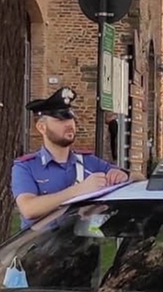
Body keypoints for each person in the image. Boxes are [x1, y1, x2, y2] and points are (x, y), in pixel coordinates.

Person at [10, 87, 129, 231]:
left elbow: (137, 177)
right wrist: (79, 190)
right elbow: (29, 209)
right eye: (60, 120)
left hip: (83, 250)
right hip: (42, 250)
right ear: (41, 127)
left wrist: (124, 175)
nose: (69, 125)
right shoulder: (26, 167)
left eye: (70, 118)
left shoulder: (88, 162)